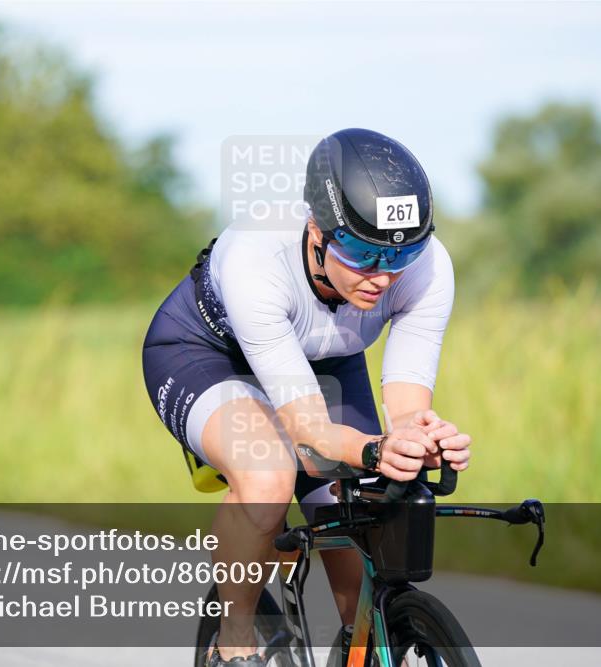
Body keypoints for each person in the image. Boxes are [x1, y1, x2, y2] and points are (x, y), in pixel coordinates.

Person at [142, 128, 472, 666]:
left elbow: (408, 409)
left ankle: (368, 645)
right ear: (317, 230)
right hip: (208, 355)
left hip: (325, 361)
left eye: (402, 254)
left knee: (363, 514)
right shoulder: (257, 258)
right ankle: (235, 643)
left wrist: (420, 439)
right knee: (269, 475)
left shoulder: (427, 268)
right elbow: (310, 434)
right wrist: (373, 449)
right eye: (362, 253)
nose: (383, 276)